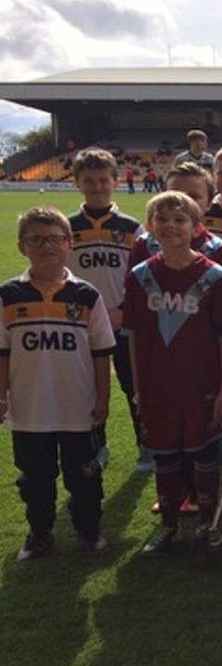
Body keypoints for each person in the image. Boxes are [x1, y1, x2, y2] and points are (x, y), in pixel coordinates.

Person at [123, 192, 222, 556]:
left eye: (180, 219)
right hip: (158, 386)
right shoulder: (140, 276)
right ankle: (169, 525)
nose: (171, 226)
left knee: (205, 455)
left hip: (201, 385)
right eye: (162, 218)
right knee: (165, 456)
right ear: (149, 227)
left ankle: (207, 524)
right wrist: (138, 387)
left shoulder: (214, 277)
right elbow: (133, 337)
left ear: (197, 228)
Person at [2, 207, 115, 560]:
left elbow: (101, 354)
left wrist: (103, 400)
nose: (46, 246)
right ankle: (39, 532)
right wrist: (2, 397)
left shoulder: (86, 295)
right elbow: (2, 352)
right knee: (34, 478)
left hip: (77, 404)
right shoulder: (8, 296)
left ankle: (88, 529)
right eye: (36, 239)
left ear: (69, 244)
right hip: (30, 406)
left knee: (84, 475)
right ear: (23, 247)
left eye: (54, 239)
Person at [66, 148, 147, 471]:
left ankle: (147, 446)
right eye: (89, 181)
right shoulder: (68, 228)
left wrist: (125, 310)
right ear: (77, 183)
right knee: (88, 387)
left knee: (133, 384)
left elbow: (142, 275)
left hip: (123, 318)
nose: (97, 186)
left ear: (115, 180)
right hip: (82, 322)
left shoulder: (131, 227)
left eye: (103, 180)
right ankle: (96, 445)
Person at [130, 163, 222, 267]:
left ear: (209, 204)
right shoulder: (144, 245)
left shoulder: (218, 250)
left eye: (193, 196)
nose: (183, 202)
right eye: (175, 194)